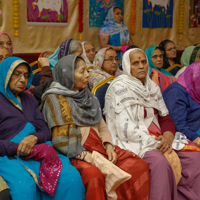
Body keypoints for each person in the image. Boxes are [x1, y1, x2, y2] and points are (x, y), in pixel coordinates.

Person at [41, 55, 151, 200]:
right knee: (94, 175)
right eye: (82, 72)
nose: (88, 75)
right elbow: (60, 140)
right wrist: (85, 155)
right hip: (75, 151)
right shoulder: (54, 99)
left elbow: (101, 125)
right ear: (68, 75)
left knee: (138, 166)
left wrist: (109, 146)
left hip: (99, 146)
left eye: (86, 70)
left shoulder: (87, 96)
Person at [104, 48, 200, 200]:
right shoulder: (118, 88)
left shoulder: (152, 87)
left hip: (159, 137)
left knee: (195, 158)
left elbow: (165, 117)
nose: (141, 66)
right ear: (128, 66)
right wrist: (155, 143)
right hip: (134, 140)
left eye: (143, 62)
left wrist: (168, 135)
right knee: (161, 163)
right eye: (135, 63)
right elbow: (124, 129)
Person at [0, 57, 85, 200]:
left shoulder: (30, 99)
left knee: (71, 178)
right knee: (24, 188)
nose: (22, 79)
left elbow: (45, 131)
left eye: (26, 76)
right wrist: (17, 147)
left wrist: (34, 138)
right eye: (17, 74)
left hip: (41, 149)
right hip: (10, 154)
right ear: (5, 74)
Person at [31, 38, 83, 104]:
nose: (82, 58)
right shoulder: (52, 68)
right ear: (67, 55)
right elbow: (47, 92)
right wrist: (46, 68)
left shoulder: (77, 69)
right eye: (79, 54)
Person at [163, 61, 200, 144]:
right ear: (194, 77)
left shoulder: (196, 91)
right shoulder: (176, 93)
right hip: (185, 137)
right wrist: (197, 139)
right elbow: (177, 125)